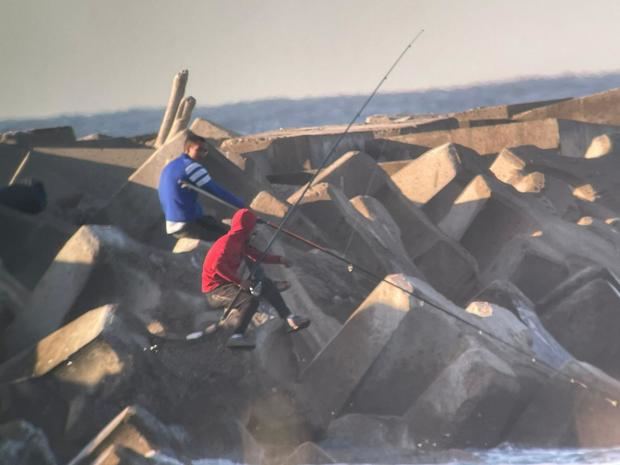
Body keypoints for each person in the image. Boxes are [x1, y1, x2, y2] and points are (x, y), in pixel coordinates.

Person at [202, 208, 310, 349]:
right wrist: (240, 282)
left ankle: (290, 319)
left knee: (266, 284)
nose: (255, 231)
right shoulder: (226, 243)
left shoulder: (240, 242)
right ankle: (237, 336)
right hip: (215, 291)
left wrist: (280, 259)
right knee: (249, 300)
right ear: (246, 229)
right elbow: (218, 267)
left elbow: (258, 256)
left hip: (229, 284)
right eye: (253, 227)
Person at [158, 131, 245, 242]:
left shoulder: (172, 165)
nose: (202, 154)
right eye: (199, 150)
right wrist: (242, 205)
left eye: (205, 151)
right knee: (232, 239)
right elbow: (216, 191)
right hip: (185, 224)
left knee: (218, 224)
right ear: (187, 149)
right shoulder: (191, 167)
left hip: (175, 221)